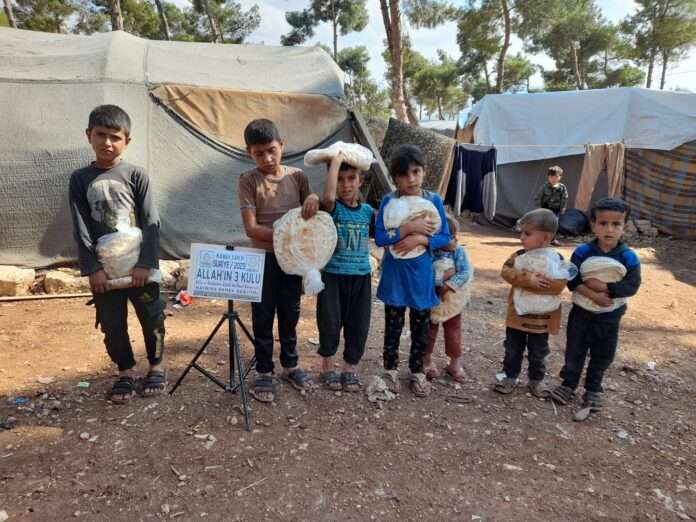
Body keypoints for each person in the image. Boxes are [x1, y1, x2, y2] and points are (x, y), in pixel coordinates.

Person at [69, 104, 166, 404]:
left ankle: (157, 367)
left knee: (153, 318)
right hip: (105, 271)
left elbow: (151, 221)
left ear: (127, 141)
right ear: (89, 135)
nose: (108, 143)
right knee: (112, 324)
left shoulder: (137, 175)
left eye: (115, 137)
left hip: (139, 268)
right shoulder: (80, 178)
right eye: (101, 135)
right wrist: (92, 269)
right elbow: (81, 225)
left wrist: (145, 263)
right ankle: (125, 371)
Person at [238, 118, 320, 402]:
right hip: (262, 259)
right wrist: (287, 236)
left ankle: (290, 364)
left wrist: (313, 198)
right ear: (249, 152)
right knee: (262, 316)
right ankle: (263, 370)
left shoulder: (297, 177)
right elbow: (252, 229)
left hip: (293, 261)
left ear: (282, 144)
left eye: (272, 150)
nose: (267, 158)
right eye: (259, 153)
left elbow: (309, 213)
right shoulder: (248, 180)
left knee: (290, 312)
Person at [550, 198, 641, 411]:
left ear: (624, 227)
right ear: (593, 225)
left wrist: (605, 288)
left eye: (616, 224)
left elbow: (632, 286)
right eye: (603, 223)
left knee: (603, 354)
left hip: (610, 316)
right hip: (582, 313)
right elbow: (572, 279)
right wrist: (592, 295)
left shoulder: (629, 257)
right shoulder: (582, 252)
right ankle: (568, 384)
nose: (609, 229)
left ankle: (593, 388)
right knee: (574, 351)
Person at [375, 144, 450, 397]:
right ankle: (390, 370)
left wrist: (421, 240)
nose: (411, 179)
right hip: (396, 278)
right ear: (395, 177)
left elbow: (445, 237)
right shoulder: (389, 201)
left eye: (416, 172)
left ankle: (417, 371)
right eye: (404, 174)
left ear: (424, 172)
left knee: (420, 327)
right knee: (393, 326)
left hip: (421, 277)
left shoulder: (433, 201)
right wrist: (408, 228)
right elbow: (381, 238)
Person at [316, 153, 374, 392]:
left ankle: (349, 368)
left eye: (351, 178)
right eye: (339, 179)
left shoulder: (369, 211)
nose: (345, 184)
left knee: (358, 323)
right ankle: (327, 366)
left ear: (361, 181)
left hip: (361, 277)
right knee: (329, 321)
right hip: (333, 275)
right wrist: (336, 159)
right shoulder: (333, 208)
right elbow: (328, 196)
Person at [494, 208, 567, 397]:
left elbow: (559, 285)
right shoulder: (518, 256)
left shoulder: (556, 260)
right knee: (512, 349)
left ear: (545, 238)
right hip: (517, 316)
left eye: (527, 233)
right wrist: (529, 280)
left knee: (538, 352)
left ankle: (536, 381)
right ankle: (509, 377)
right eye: (521, 233)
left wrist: (537, 284)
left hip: (541, 320)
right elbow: (506, 272)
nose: (521, 238)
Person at [423, 213, 473, 383]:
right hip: (432, 298)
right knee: (429, 330)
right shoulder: (429, 252)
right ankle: (427, 361)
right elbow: (425, 275)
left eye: (454, 237)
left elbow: (465, 272)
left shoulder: (458, 252)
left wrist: (448, 285)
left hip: (453, 301)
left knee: (453, 331)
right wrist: (442, 278)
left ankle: (454, 363)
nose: (454, 241)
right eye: (449, 237)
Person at [535, 166, 568, 245]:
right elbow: (538, 197)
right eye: (551, 176)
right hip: (545, 208)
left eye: (556, 176)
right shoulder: (544, 187)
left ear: (560, 177)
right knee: (543, 224)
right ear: (548, 177)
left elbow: (564, 198)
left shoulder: (562, 188)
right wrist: (539, 208)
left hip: (555, 210)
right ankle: (540, 239)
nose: (553, 179)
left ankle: (552, 239)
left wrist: (563, 207)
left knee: (554, 224)